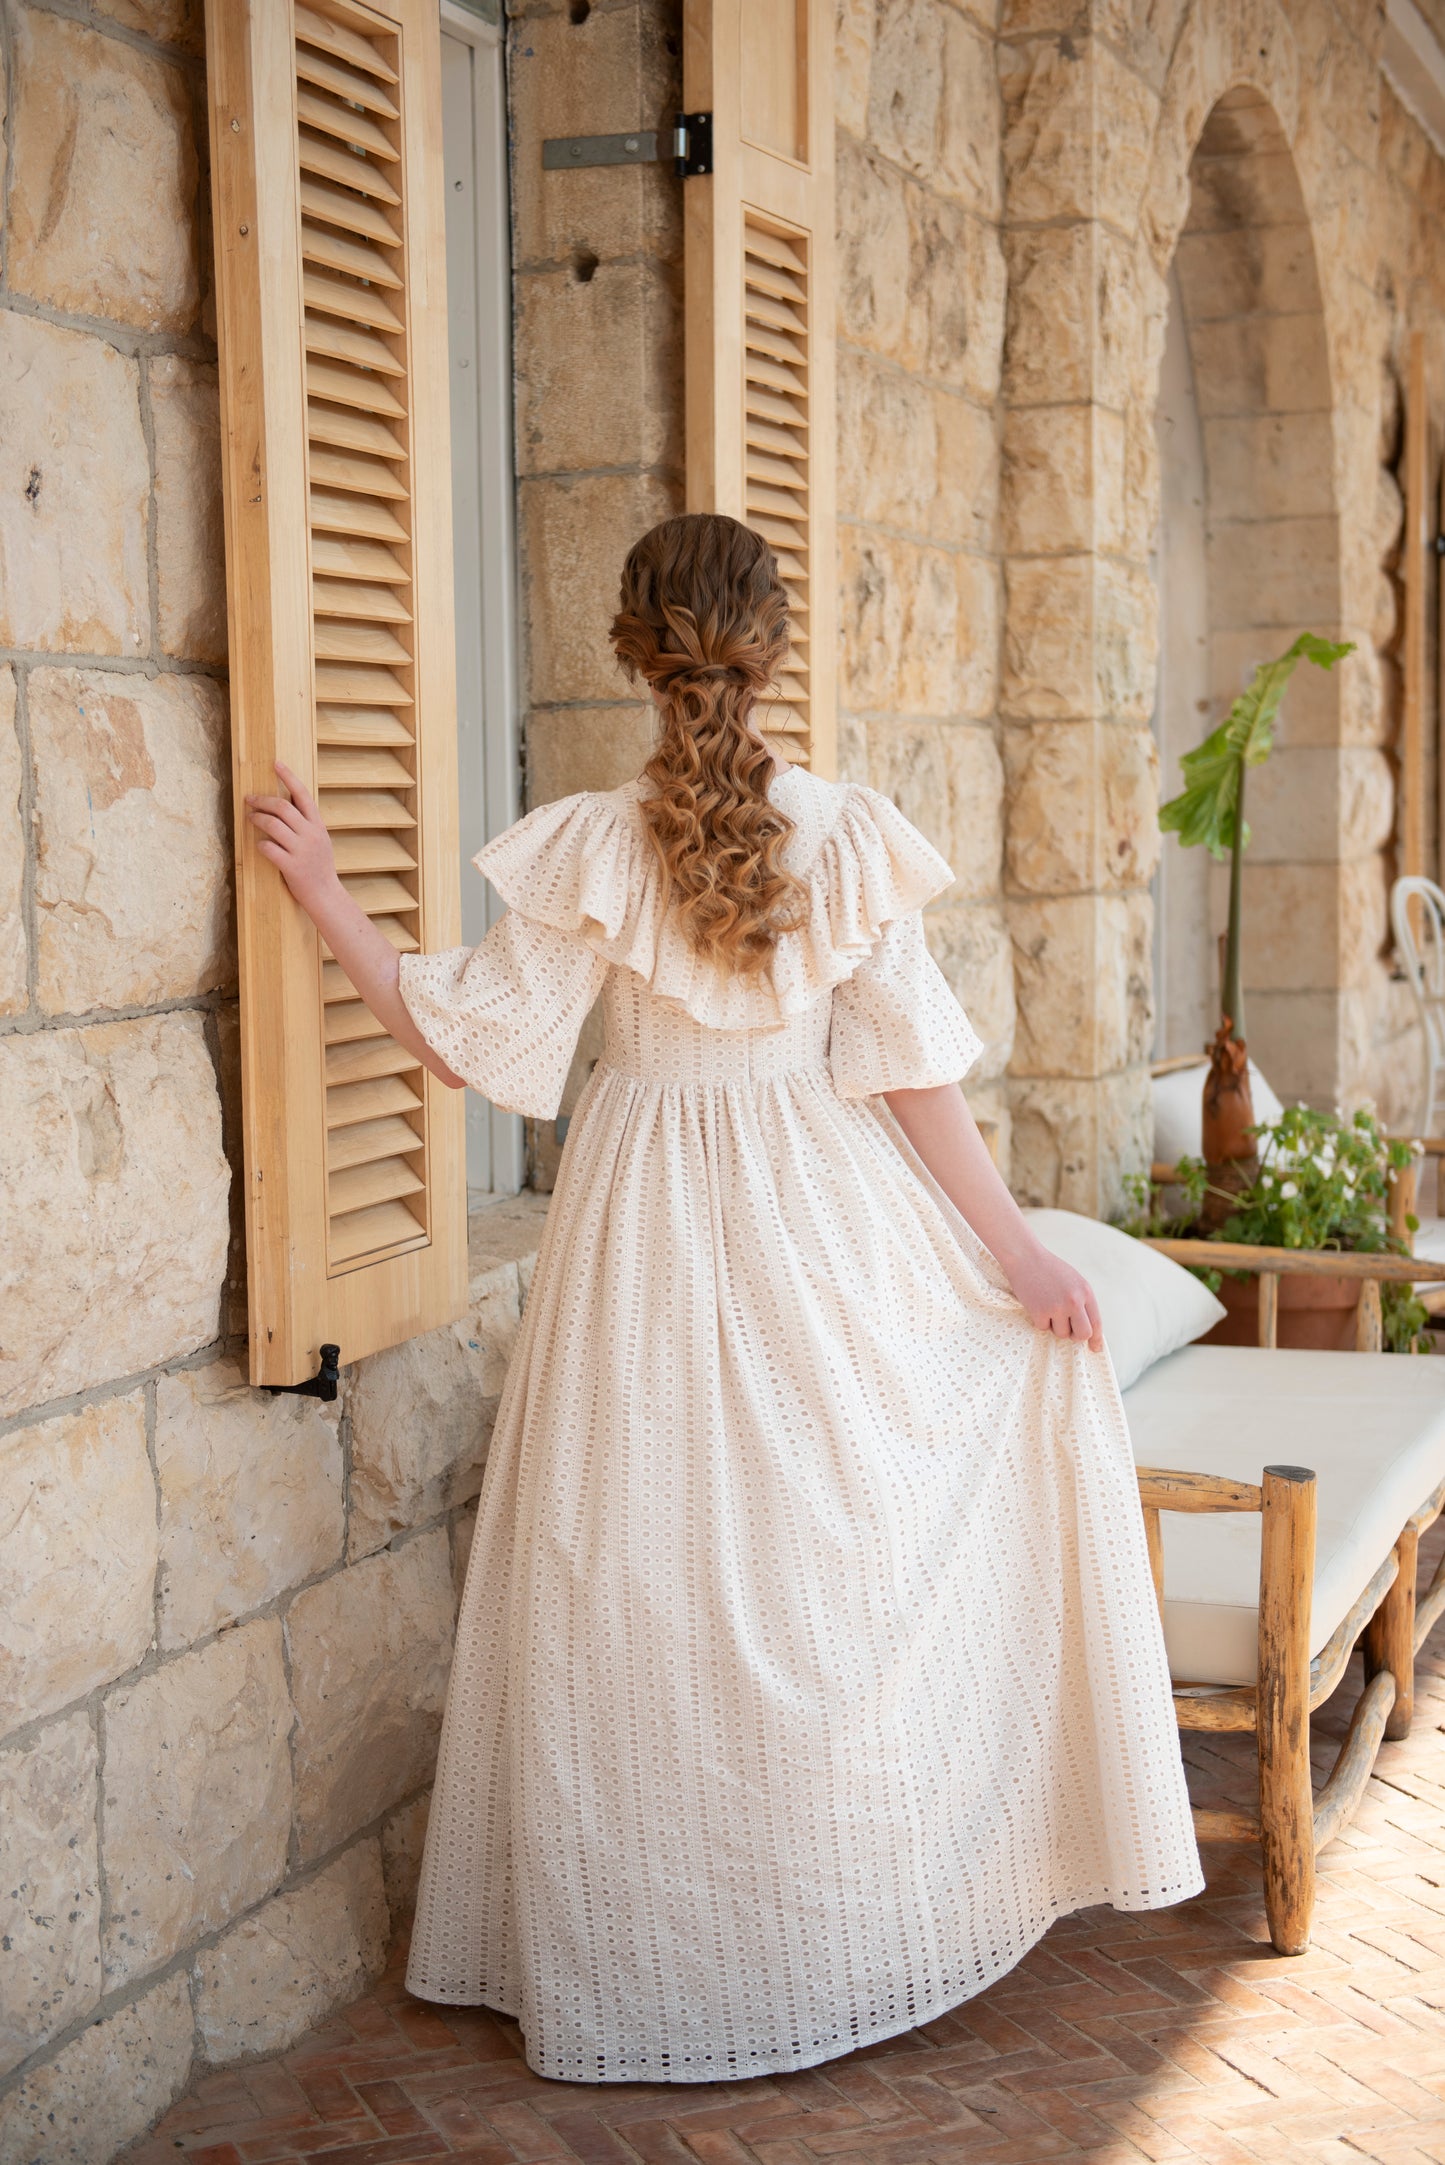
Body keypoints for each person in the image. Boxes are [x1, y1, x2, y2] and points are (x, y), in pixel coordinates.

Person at [246, 512, 1202, 2087]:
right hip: (817, 1224)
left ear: (634, 651)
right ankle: (824, 1932)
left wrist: (332, 902)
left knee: (636, 1581)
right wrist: (1018, 1253)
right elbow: (911, 1080)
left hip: (639, 1230)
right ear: (771, 647)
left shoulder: (592, 845)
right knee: (826, 1565)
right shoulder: (841, 833)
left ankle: (670, 1960)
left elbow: (474, 1042)